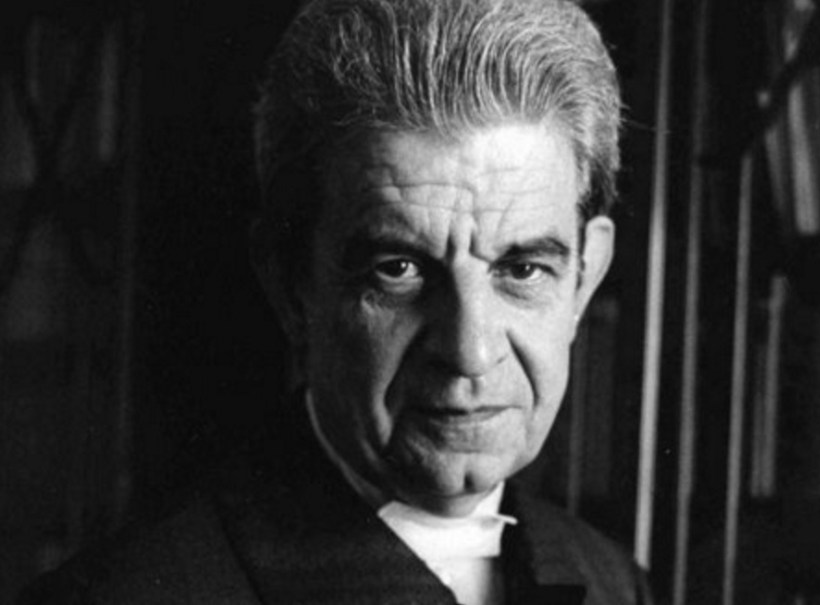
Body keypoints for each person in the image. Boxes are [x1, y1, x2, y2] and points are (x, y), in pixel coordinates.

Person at [20, 0, 652, 603]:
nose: (470, 352)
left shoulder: (616, 586)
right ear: (291, 284)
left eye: (523, 269)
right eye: (399, 270)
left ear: (585, 278)